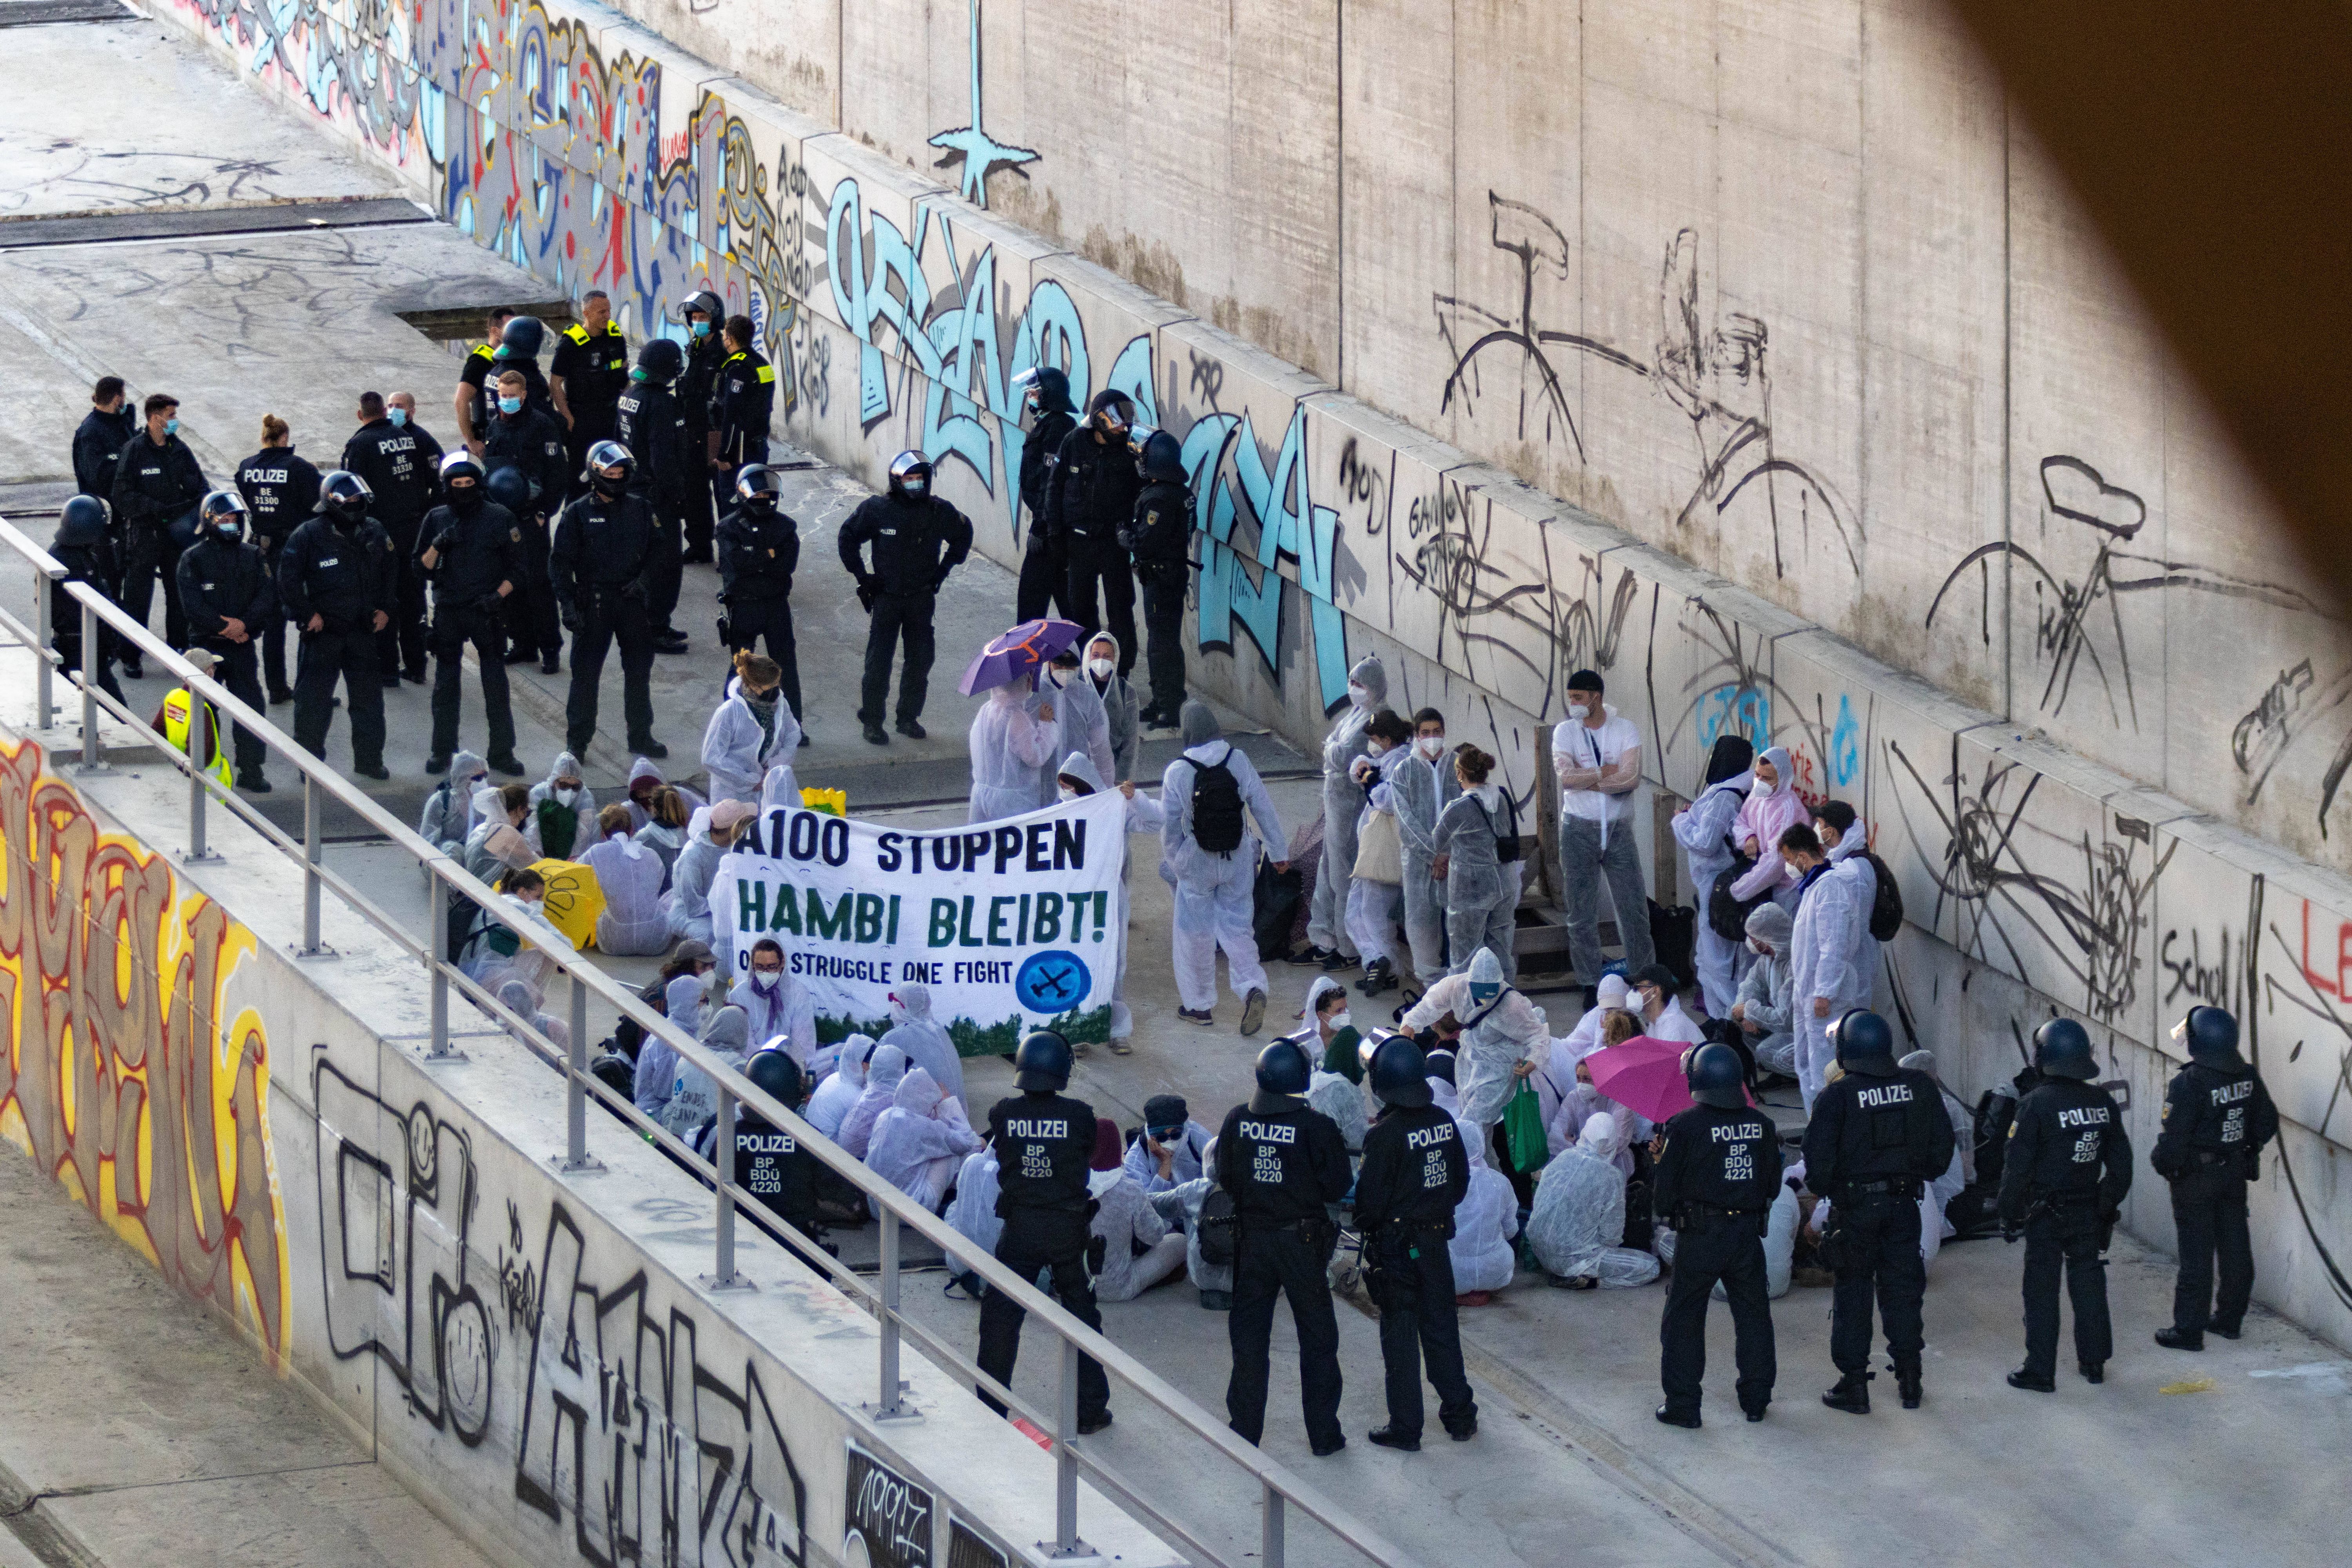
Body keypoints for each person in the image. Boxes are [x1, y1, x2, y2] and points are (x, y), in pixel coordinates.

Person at [1802, 1009, 1955, 1414]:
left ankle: (1854, 1386)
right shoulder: (1918, 1086)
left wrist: (1840, 1191)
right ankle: (1910, 1379)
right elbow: (1942, 1152)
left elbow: (1817, 1169)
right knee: (1903, 1291)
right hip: (1905, 1204)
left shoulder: (1836, 1096)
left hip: (1855, 1209)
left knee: (1853, 1293)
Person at [1219, 1039, 1353, 1454]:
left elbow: (1226, 1177)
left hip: (1254, 1239)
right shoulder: (1317, 1126)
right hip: (1302, 1242)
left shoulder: (1239, 1119)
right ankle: (1324, 1435)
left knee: (1249, 1337)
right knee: (1317, 1339)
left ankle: (1244, 1430)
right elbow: (1339, 1185)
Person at [977, 1031, 1112, 1432]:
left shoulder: (1003, 1113)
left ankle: (989, 1407)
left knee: (1001, 1319)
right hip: (1068, 1229)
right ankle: (1089, 1410)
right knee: (1082, 1317)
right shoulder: (1080, 1115)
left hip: (1019, 1228)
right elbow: (1085, 1153)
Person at [1354, 1032, 1477, 1450]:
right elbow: (1460, 1181)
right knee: (1442, 1330)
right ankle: (1460, 1416)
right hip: (1436, 1242)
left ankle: (1406, 1427)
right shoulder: (1443, 1121)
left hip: (1398, 1248)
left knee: (1401, 1339)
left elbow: (1368, 1203)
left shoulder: (1384, 1135)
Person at [1998, 1019, 2132, 1390]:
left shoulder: (2035, 1105)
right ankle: (2094, 1363)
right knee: (2088, 1281)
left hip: (2045, 1213)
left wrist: (2008, 1213)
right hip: (2088, 1209)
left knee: (2041, 1288)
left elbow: (2017, 1168)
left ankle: (2040, 1370)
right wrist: (2104, 1203)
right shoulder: (2103, 1102)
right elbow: (2122, 1165)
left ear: (2046, 1057)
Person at [1652, 1044, 1780, 1428]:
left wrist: (1662, 1165)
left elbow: (1664, 1196)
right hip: (1745, 1234)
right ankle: (1757, 1400)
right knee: (1754, 1315)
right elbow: (1772, 1184)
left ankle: (1684, 1404)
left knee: (1685, 1319)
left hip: (1700, 1234)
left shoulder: (1685, 1125)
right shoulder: (1763, 1125)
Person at [2152, 1005, 2280, 1351]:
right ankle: (2229, 1320)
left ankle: (2188, 1331)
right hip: (2233, 1172)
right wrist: (2246, 1148)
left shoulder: (2189, 1083)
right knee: (2235, 1247)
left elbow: (2174, 1140)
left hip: (2196, 1178)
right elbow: (2267, 1120)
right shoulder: (2247, 1075)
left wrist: (2164, 1165)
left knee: (2196, 1256)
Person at [1161, 702, 1287, 1033]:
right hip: (1238, 857)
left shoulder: (1177, 770)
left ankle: (1199, 1006)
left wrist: (1177, 862)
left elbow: (1169, 825)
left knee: (1194, 934)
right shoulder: (1239, 760)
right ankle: (1252, 987)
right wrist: (1278, 851)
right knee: (1237, 928)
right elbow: (1262, 806)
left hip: (1197, 862)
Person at [838, 451, 973, 745]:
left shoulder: (938, 511)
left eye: (920, 478)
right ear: (897, 481)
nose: (916, 483)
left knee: (920, 661)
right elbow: (847, 537)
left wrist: (943, 571)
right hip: (887, 598)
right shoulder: (877, 509)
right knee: (878, 663)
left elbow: (964, 534)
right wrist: (863, 577)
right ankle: (873, 721)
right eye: (910, 478)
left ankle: (908, 718)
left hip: (921, 599)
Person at [277, 470, 395, 780]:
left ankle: (370, 761)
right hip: (323, 633)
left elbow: (390, 575)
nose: (356, 503)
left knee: (369, 702)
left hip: (362, 631)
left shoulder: (375, 531)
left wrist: (385, 609)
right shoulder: (308, 535)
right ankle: (310, 765)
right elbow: (288, 581)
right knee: (313, 704)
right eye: (349, 499)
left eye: (359, 498)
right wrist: (306, 615)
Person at [551, 441, 666, 758]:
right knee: (586, 676)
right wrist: (568, 605)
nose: (616, 478)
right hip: (595, 603)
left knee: (639, 672)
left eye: (621, 472)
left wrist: (644, 583)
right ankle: (577, 742)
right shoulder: (577, 513)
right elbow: (560, 562)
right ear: (595, 474)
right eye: (610, 473)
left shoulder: (641, 508)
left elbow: (660, 551)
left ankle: (641, 736)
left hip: (631, 601)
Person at [416, 451, 525, 774]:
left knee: (496, 687)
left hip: (486, 611)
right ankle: (441, 750)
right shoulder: (436, 518)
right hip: (449, 611)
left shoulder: (500, 517)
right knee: (445, 687)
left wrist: (497, 597)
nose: (463, 488)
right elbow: (418, 567)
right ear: (447, 485)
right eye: (457, 483)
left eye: (468, 482)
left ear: (479, 484)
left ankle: (503, 753)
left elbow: (519, 569)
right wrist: (437, 546)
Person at [1056, 752, 1165, 1053]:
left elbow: (1158, 819)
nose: (1063, 790)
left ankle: (1116, 1029)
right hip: (1074, 897)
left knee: (1114, 961)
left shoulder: (1114, 808)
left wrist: (1135, 798)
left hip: (1109, 894)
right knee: (1077, 959)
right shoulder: (1057, 814)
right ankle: (1078, 1027)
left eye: (1068, 784)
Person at [1552, 668, 1652, 984]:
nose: (1574, 704)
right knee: (1580, 913)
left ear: (1597, 697)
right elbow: (1566, 777)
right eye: (1570, 698)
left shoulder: (1625, 729)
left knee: (1634, 909)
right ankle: (1589, 982)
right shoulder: (1565, 732)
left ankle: (1645, 977)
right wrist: (1604, 772)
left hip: (1619, 829)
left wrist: (1588, 779)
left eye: (1579, 698)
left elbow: (1631, 779)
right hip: (1578, 829)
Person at [1399, 946, 1548, 1149]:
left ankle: (1466, 1166)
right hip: (1469, 1058)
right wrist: (1411, 1024)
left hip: (1500, 1063)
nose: (1485, 999)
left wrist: (1534, 1061)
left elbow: (1537, 1034)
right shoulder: (1456, 987)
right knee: (1471, 1121)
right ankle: (1480, 1166)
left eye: (1490, 993)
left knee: (1473, 1120)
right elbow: (1430, 1005)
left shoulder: (1513, 1003)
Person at [174, 491, 274, 792]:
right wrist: (223, 626)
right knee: (204, 711)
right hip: (206, 648)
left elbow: (266, 596)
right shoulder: (192, 559)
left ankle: (252, 769)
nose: (232, 524)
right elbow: (192, 606)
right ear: (210, 522)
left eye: (235, 519)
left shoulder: (253, 555)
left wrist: (243, 625)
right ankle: (203, 768)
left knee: (251, 707)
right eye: (225, 519)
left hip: (242, 645)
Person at [341, 390, 442, 685]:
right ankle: (416, 666)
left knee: (384, 599)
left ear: (361, 415)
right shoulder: (412, 438)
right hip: (414, 531)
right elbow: (437, 478)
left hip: (380, 535)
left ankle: (387, 669)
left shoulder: (359, 445)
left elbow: (352, 495)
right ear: (384, 412)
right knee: (412, 600)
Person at [1296, 654, 1390, 968]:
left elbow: (1343, 754)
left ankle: (1348, 947)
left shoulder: (1377, 718)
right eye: (1351, 682)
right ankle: (1324, 938)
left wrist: (1332, 748)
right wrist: (1333, 749)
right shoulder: (1357, 713)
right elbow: (1335, 748)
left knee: (1342, 874)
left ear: (1374, 687)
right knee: (1328, 869)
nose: (1353, 688)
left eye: (1359, 684)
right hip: (1336, 804)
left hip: (1351, 806)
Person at [480, 367, 569, 672]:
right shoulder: (495, 427)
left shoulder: (542, 426)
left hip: (533, 517)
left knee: (538, 585)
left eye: (512, 397)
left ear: (524, 395)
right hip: (504, 520)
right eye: (502, 396)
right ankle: (523, 644)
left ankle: (550, 649)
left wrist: (545, 511)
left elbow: (557, 474)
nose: (506, 401)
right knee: (510, 584)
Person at [1049, 391, 1143, 672]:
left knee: (1120, 609)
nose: (1121, 427)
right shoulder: (1075, 442)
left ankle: (1121, 670)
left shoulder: (1131, 449)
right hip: (1079, 543)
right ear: (1100, 420)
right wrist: (1054, 532)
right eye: (1115, 421)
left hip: (1113, 544)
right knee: (1080, 608)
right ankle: (1088, 664)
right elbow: (1055, 486)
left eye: (1124, 421)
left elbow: (1142, 495)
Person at [233, 414, 322, 704]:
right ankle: (311, 688)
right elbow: (319, 503)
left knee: (273, 623)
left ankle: (276, 687)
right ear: (284, 438)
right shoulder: (299, 468)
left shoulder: (247, 467)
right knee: (308, 615)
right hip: (295, 550)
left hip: (261, 551)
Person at [615, 336, 696, 655]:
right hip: (656, 496)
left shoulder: (629, 395)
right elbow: (665, 458)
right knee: (664, 566)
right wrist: (679, 496)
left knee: (642, 563)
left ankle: (651, 623)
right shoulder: (663, 404)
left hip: (632, 490)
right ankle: (655, 627)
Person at [114, 392, 209, 660]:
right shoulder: (134, 451)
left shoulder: (180, 450)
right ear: (155, 418)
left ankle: (178, 647)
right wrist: (153, 508)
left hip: (177, 534)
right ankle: (131, 655)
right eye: (171, 415)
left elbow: (201, 486)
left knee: (178, 592)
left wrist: (194, 504)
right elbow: (122, 494)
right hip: (145, 533)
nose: (175, 421)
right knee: (137, 596)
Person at [1780, 824, 1868, 1112]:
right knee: (1806, 1067)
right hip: (1808, 996)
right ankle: (1814, 1135)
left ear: (1802, 857)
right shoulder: (1813, 889)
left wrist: (1824, 992)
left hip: (1825, 1000)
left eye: (1788, 859)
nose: (1788, 867)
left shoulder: (1830, 888)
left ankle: (1827, 1139)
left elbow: (1835, 945)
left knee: (1825, 1070)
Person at [1373, 708, 1458, 1000]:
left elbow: (1465, 814)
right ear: (1416, 736)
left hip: (1455, 862)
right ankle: (1430, 987)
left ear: (1445, 732)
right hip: (1420, 866)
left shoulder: (1458, 767)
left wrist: (1447, 854)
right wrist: (1433, 856)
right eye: (1426, 733)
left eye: (1437, 731)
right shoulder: (1404, 772)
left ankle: (1458, 985)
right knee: (1422, 925)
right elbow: (1406, 822)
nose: (1432, 738)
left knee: (1459, 924)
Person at [1670, 735, 1757, 1016]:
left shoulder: (1725, 796)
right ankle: (1720, 1019)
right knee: (1711, 959)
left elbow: (1707, 843)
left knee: (1720, 962)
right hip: (1718, 884)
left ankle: (1730, 1024)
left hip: (1719, 885)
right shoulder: (1730, 791)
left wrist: (1681, 821)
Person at [1525, 1110, 1661, 1287]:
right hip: (1575, 1260)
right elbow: (1611, 1238)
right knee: (1651, 1266)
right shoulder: (1612, 1176)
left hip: (1539, 1250)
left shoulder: (1562, 1158)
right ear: (1613, 1142)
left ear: (1585, 1133)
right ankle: (1590, 1281)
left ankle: (1573, 1272)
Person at [716, 464, 803, 721]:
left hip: (776, 605)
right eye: (758, 496)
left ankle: (794, 724)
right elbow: (737, 562)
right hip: (743, 607)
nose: (764, 500)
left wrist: (753, 555)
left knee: (786, 668)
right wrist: (769, 554)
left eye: (768, 495)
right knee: (741, 670)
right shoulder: (728, 528)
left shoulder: (786, 526)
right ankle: (729, 724)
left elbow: (787, 566)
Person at [735, 1050, 835, 1267]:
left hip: (737, 1246)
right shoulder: (807, 1138)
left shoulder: (725, 1133)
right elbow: (836, 1194)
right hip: (795, 1249)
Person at [1430, 746, 1522, 981]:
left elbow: (1435, 842)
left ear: (1460, 774)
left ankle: (1466, 1010)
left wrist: (1441, 859)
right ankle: (1506, 1000)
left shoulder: (1459, 807)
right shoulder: (1501, 796)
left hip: (1471, 888)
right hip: (1506, 883)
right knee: (1501, 950)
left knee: (1465, 955)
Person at [1122, 428, 1192, 727]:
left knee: (1161, 644)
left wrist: (1124, 536)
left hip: (1162, 579)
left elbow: (1145, 541)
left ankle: (1169, 707)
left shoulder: (1160, 499)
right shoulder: (1178, 492)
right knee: (1163, 642)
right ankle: (1163, 700)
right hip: (1169, 575)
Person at [1344, 711, 1414, 995]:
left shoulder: (1401, 763)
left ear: (1387, 739)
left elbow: (1386, 800)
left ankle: (1386, 968)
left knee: (1374, 915)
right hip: (1375, 849)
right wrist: (1363, 767)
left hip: (1384, 850)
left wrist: (1371, 781)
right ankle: (1378, 963)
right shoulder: (1394, 757)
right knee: (1357, 913)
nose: (1372, 746)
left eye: (1375, 740)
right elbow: (1364, 766)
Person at [1089, 1120, 1190, 1302]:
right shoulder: (1129, 1190)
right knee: (1180, 1242)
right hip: (1115, 1288)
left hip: (1070, 1286)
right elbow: (1155, 1236)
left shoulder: (1066, 1184)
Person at [1011, 365, 1076, 622]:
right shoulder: (1050, 423)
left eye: (1034, 392)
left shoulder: (1058, 428)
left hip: (1050, 533)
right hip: (1054, 531)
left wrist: (1039, 528)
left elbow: (1052, 483)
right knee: (1070, 604)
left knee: (1031, 604)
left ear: (1049, 395)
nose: (1030, 396)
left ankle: (1025, 660)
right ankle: (1094, 655)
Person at [865, 1067, 981, 1211]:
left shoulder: (885, 1116)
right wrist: (948, 1104)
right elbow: (966, 1143)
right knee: (951, 1155)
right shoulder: (922, 1126)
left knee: (934, 1150)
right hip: (909, 1212)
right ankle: (959, 1197)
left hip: (876, 1207)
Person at [47, 495, 127, 706]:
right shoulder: (66, 562)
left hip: (87, 645)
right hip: (81, 648)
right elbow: (73, 611)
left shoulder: (73, 553)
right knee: (117, 711)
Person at [550, 291, 629, 495]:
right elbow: (555, 383)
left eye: (609, 310)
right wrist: (567, 416)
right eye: (602, 312)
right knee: (579, 478)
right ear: (586, 313)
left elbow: (624, 377)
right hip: (582, 418)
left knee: (614, 471)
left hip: (611, 415)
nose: (607, 316)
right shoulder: (570, 344)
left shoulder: (615, 338)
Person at [703, 651, 803, 805]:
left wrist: (773, 768)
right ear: (751, 684)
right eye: (768, 688)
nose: (774, 691)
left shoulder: (780, 704)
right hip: (733, 795)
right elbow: (712, 758)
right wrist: (750, 781)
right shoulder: (729, 712)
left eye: (776, 685)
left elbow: (793, 734)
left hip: (767, 788)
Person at [1147, 1136, 1234, 1308]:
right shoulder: (1259, 1191)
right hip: (1252, 1279)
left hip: (1206, 1278)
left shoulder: (1197, 1190)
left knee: (1179, 1239)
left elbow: (1154, 1204)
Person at [676, 289, 728, 564]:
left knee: (723, 495)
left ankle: (729, 552)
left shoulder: (724, 350)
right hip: (692, 431)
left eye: (703, 317)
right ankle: (699, 546)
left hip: (715, 433)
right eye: (694, 317)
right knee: (694, 492)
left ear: (715, 318)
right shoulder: (694, 348)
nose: (698, 322)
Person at [1725, 746, 1808, 909]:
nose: (1760, 781)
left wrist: (1738, 891)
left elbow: (1776, 862)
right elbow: (1741, 820)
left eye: (1767, 778)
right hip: (1763, 882)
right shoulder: (1758, 795)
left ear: (1783, 778)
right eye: (1757, 775)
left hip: (1787, 889)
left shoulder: (1787, 809)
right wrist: (1749, 837)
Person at [968, 674, 1058, 822]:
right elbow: (1037, 757)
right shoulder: (1016, 717)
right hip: (1012, 804)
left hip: (980, 799)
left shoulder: (985, 710)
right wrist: (1047, 725)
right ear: (1024, 682)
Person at [578, 803, 665, 954]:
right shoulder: (652, 854)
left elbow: (576, 878)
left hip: (613, 942)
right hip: (656, 940)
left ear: (603, 833)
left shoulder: (595, 853)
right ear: (632, 830)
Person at [1033, 647, 1116, 806]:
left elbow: (1102, 750)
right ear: (1049, 662)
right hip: (1039, 789)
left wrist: (1106, 790)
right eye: (1059, 664)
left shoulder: (1087, 696)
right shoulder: (1034, 693)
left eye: (1070, 666)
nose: (1064, 670)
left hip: (1076, 789)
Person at [662, 798, 750, 945]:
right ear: (732, 829)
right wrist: (725, 911)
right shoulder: (692, 855)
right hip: (692, 913)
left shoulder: (734, 845)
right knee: (711, 936)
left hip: (724, 909)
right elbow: (694, 905)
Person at [710, 314, 774, 496]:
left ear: (730, 339)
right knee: (756, 499)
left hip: (740, 453)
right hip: (760, 445)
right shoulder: (762, 364)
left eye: (724, 335)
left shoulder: (738, 368)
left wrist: (724, 455)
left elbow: (731, 416)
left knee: (732, 509)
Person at [1732, 902, 1798, 1077]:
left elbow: (1786, 1019)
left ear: (1771, 937)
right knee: (1735, 1026)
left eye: (1756, 939)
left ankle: (1805, 1075)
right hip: (1782, 1027)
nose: (1753, 943)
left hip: (1801, 1030)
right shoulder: (1769, 958)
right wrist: (1744, 1014)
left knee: (1768, 1052)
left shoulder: (1795, 963)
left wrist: (1749, 1011)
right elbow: (1751, 984)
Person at [729, 937, 818, 1065]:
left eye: (772, 967)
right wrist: (766, 1063)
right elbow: (744, 1044)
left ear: (782, 964)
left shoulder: (798, 993)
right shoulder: (739, 995)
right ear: (752, 965)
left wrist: (786, 1065)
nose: (766, 973)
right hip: (751, 1065)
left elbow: (803, 1044)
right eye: (760, 967)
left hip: (789, 1065)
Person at [878, 982, 962, 1107]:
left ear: (902, 1006)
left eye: (895, 1003)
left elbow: (877, 1079)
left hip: (914, 1114)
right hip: (951, 1111)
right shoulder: (938, 1030)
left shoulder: (894, 1038)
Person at [451, 307, 515, 454]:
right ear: (495, 331)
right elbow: (461, 401)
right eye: (510, 328)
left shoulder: (514, 356)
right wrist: (471, 442)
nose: (516, 333)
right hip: (491, 436)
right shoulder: (480, 360)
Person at [1123, 1094, 1214, 1192]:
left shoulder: (1197, 1137)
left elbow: (1218, 1176)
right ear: (1151, 1136)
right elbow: (1148, 1201)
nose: (1170, 1141)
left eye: (1176, 1135)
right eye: (1162, 1137)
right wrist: (1165, 1162)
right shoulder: (1136, 1157)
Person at [1081, 632, 1140, 782]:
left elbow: (1130, 741)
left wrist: (1122, 780)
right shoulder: (1078, 688)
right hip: (1081, 769)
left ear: (1115, 659)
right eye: (1096, 655)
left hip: (1113, 769)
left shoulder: (1126, 691)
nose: (1101, 661)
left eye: (1107, 656)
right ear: (1089, 657)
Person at [72, 376, 136, 510]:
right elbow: (97, 478)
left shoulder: (122, 424)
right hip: (104, 511)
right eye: (123, 396)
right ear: (117, 399)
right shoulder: (90, 433)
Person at [839, 1042, 908, 1160]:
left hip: (841, 1159)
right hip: (859, 1168)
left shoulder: (867, 1092)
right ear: (898, 1071)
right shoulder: (893, 1101)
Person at [524, 751, 594, 859]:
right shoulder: (538, 793)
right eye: (564, 785)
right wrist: (539, 858)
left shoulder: (585, 797)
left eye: (575, 787)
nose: (570, 791)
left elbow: (584, 832)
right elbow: (533, 829)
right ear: (555, 781)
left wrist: (572, 859)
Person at [806, 1034, 876, 1140]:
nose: (874, 1069)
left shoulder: (834, 1077)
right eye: (872, 1064)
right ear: (863, 1064)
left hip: (807, 1142)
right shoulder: (856, 1096)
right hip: (824, 1152)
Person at [1631, 964, 1704, 1045]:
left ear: (1655, 991)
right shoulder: (1656, 1022)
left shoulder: (1673, 1027)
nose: (1633, 992)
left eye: (1637, 987)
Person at [634, 784, 692, 887]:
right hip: (683, 899)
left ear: (654, 808)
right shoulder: (690, 838)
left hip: (656, 900)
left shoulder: (642, 839)